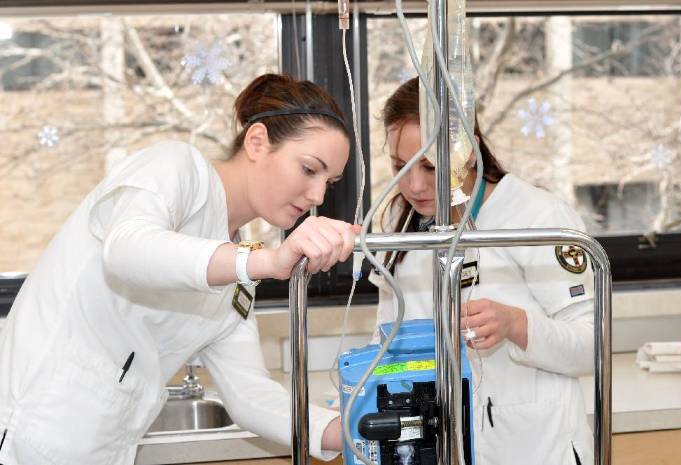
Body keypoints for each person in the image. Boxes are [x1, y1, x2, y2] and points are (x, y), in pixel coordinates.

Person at [0, 73, 355, 465]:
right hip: (33, 427)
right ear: (256, 142)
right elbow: (126, 249)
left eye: (331, 182)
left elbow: (249, 394)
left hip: (109, 446)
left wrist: (348, 430)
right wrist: (267, 261)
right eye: (309, 169)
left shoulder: (238, 275)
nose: (318, 195)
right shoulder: (177, 168)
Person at [369, 77, 595, 465]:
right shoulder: (396, 220)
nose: (414, 185)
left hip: (536, 448)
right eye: (400, 167)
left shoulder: (536, 216)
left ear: (468, 150)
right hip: (436, 444)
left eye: (429, 166)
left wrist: (516, 325)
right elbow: (386, 337)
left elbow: (594, 347)